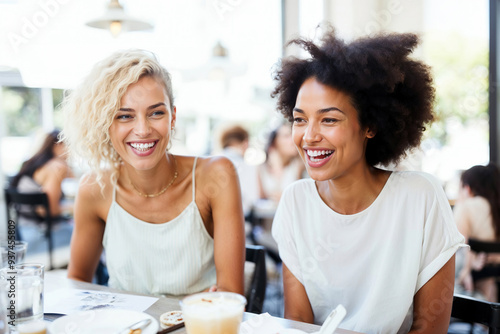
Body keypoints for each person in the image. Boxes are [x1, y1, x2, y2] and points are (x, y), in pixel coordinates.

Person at [270, 28, 465, 333]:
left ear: (370, 126)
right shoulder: (296, 202)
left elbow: (429, 328)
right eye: (299, 119)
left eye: (329, 119)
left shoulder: (420, 197)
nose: (309, 136)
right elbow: (299, 324)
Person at [61, 49, 245, 297]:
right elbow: (77, 285)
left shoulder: (215, 175)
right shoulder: (95, 189)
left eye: (156, 113)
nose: (142, 130)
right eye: (125, 116)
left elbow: (230, 297)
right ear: (107, 124)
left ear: (172, 118)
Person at [454, 163, 500, 302]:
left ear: (467, 188)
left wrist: (471, 262)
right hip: (492, 274)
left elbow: (457, 245)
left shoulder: (466, 207)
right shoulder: (495, 206)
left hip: (471, 279)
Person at [11, 129, 74, 220]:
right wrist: (73, 207)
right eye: (68, 145)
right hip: (40, 229)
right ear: (58, 145)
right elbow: (48, 210)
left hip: (21, 225)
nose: (70, 152)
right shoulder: (56, 167)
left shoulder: (35, 162)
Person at [257, 123, 305, 205]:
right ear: (274, 142)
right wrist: (276, 165)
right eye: (286, 136)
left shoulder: (300, 165)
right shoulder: (261, 168)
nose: (292, 140)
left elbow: (301, 197)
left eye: (292, 135)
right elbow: (261, 198)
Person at [219, 124, 259, 220]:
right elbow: (252, 199)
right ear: (245, 143)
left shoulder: (209, 161)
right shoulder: (248, 167)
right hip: (239, 222)